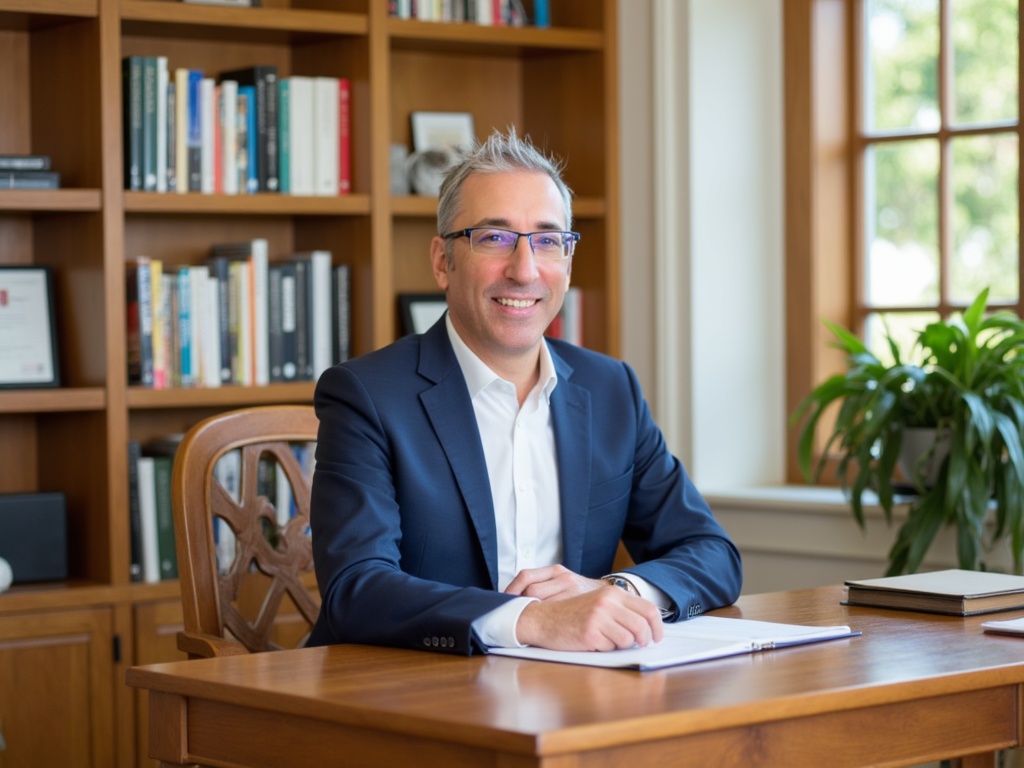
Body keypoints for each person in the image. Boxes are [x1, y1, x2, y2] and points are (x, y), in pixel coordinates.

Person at [307, 128, 742, 654]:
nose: (524, 269)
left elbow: (712, 553)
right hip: (405, 695)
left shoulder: (611, 390)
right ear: (443, 261)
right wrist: (529, 621)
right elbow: (357, 589)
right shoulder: (366, 395)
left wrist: (611, 591)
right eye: (494, 238)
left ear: (567, 262)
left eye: (547, 240)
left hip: (567, 693)